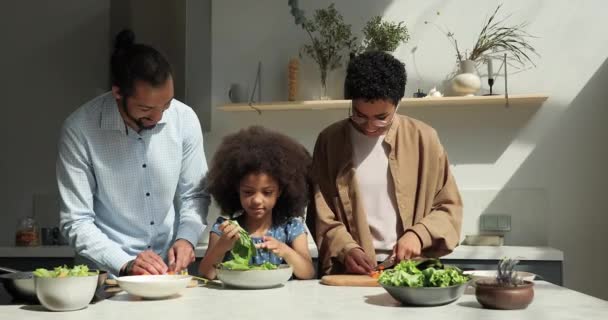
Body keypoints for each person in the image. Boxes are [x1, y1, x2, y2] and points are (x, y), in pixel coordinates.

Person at [57, 29, 210, 277]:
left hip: (168, 274)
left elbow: (195, 195)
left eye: (167, 104)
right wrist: (125, 263)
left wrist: (187, 238)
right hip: (106, 277)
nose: (159, 117)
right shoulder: (80, 129)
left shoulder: (184, 118)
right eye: (146, 109)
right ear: (118, 93)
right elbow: (76, 221)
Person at [310, 51, 463, 275]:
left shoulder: (424, 139)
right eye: (360, 115)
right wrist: (346, 248)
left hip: (411, 272)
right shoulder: (330, 141)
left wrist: (418, 234)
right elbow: (320, 212)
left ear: (398, 104)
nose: (370, 126)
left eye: (382, 117)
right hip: (351, 274)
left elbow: (449, 207)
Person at [198, 126, 315, 280]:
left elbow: (308, 273)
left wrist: (285, 250)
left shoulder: (291, 228)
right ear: (236, 190)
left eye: (267, 192)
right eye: (248, 192)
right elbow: (206, 273)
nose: (257, 200)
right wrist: (222, 246)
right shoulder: (224, 229)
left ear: (280, 191)